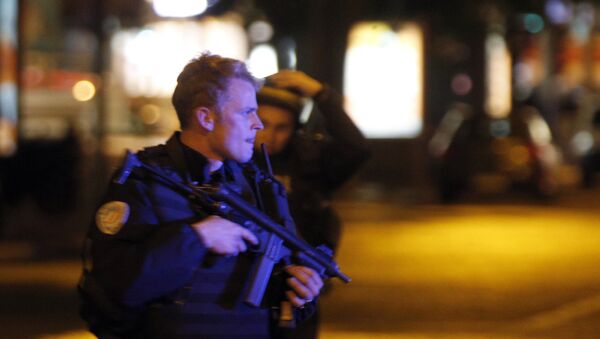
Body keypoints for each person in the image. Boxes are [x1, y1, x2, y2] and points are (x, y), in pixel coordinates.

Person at [78, 53, 323, 338]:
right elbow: (112, 290)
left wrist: (303, 294)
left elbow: (288, 286)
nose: (257, 124)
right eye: (246, 112)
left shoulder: (261, 188)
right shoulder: (143, 182)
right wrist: (196, 238)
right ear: (206, 118)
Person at [254, 70, 370, 338]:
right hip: (247, 286)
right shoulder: (234, 159)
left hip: (300, 289)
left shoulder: (309, 161)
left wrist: (322, 94)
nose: (270, 135)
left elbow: (357, 149)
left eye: (281, 127)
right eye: (263, 123)